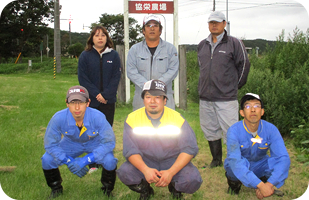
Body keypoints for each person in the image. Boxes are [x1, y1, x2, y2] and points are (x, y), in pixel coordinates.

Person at [117, 80, 203, 200]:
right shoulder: (132, 119)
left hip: (171, 161)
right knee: (125, 172)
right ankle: (145, 188)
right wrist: (145, 170)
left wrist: (171, 172)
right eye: (148, 97)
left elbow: (189, 148)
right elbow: (130, 151)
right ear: (143, 100)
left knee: (192, 179)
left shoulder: (177, 119)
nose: (152, 101)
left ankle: (175, 186)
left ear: (165, 100)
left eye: (157, 97)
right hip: (146, 160)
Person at [41, 86, 118, 199]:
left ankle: (107, 190)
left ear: (88, 103)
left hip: (94, 142)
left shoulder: (98, 116)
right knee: (47, 159)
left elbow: (109, 142)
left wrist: (86, 160)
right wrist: (68, 161)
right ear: (67, 103)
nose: (77, 107)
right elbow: (50, 144)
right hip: (70, 143)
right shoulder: (58, 118)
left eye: (81, 102)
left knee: (110, 160)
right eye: (73, 103)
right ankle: (56, 189)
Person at [197, 11, 250, 168]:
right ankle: (216, 160)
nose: (214, 25)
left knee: (231, 132)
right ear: (208, 24)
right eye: (211, 22)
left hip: (226, 98)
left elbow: (245, 65)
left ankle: (234, 161)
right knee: (210, 129)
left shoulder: (234, 43)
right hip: (206, 97)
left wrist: (235, 86)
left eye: (217, 22)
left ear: (224, 24)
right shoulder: (202, 45)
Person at [224, 93, 290, 199]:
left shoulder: (271, 129)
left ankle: (266, 182)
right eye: (248, 106)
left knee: (277, 162)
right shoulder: (234, 130)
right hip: (241, 164)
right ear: (242, 113)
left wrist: (268, 185)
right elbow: (235, 160)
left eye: (257, 106)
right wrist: (259, 185)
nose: (253, 110)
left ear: (262, 111)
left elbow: (283, 158)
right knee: (231, 164)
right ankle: (234, 185)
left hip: (261, 164)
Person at [127, 14, 179, 111]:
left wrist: (157, 85)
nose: (152, 28)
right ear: (143, 30)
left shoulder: (170, 49)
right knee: (140, 125)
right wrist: (146, 85)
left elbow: (173, 70)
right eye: (148, 26)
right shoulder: (134, 49)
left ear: (160, 30)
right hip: (141, 99)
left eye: (155, 25)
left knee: (166, 125)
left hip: (164, 98)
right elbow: (131, 71)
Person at [78, 25, 121, 127]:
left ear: (107, 38)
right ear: (92, 38)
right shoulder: (85, 56)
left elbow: (116, 77)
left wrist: (105, 95)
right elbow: (83, 79)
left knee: (106, 130)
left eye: (103, 35)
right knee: (90, 130)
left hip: (108, 101)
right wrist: (97, 95)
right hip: (91, 101)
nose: (100, 38)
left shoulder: (113, 55)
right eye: (97, 35)